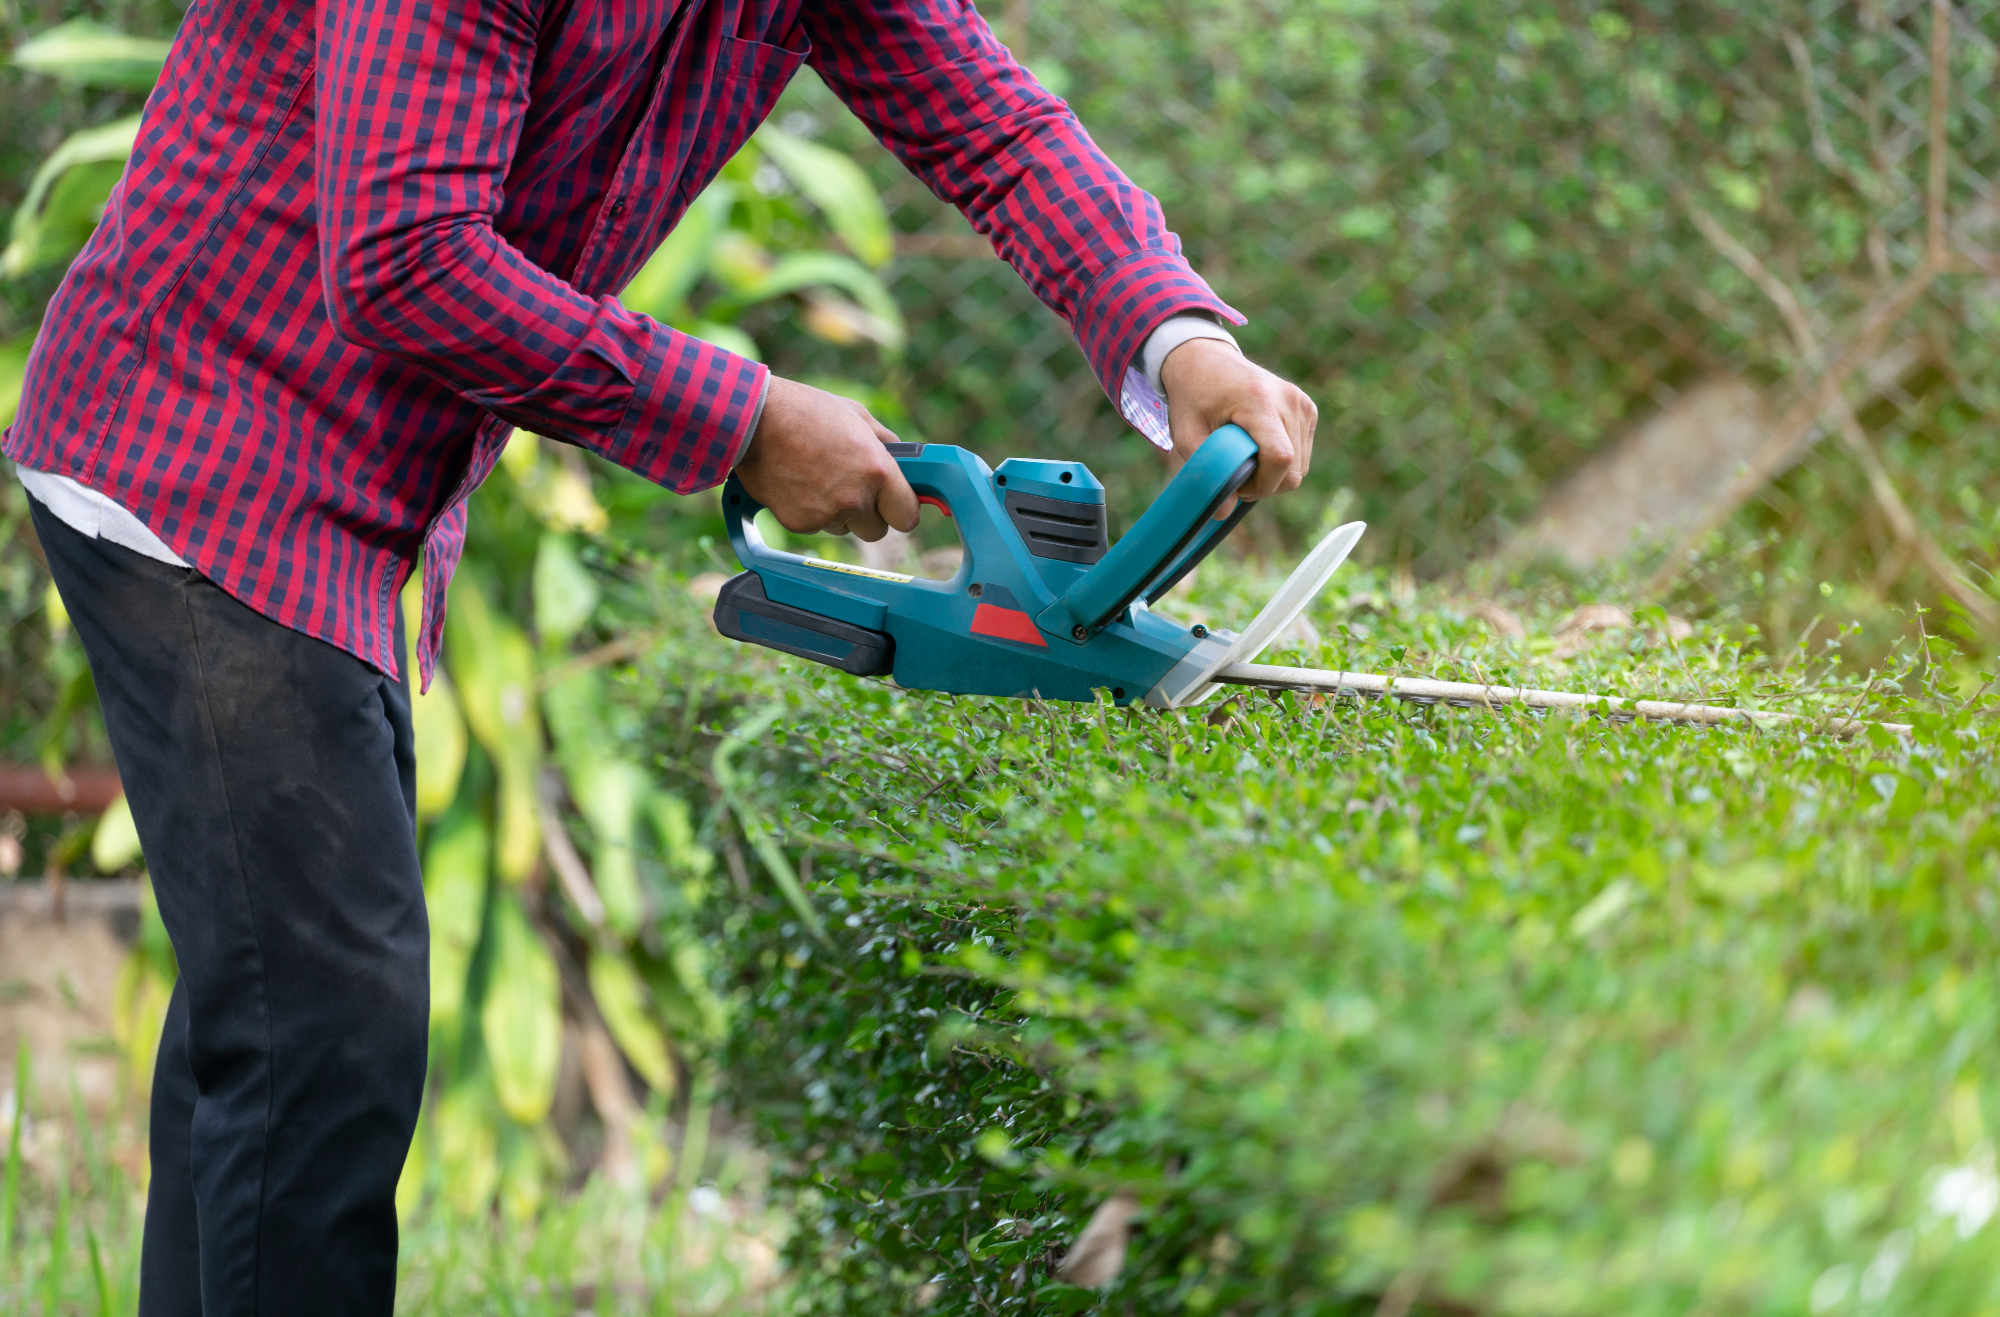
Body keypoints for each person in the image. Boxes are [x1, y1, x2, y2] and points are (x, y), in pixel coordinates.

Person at [3, 1, 1318, 1312]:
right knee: (326, 1031)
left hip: (348, 496)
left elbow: (1000, 132)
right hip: (198, 442)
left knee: (284, 1020)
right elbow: (406, 258)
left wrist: (1177, 338)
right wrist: (742, 416)